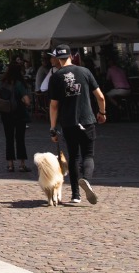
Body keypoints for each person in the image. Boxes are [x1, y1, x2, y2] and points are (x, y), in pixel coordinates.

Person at [44, 46, 105, 204]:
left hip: (68, 122)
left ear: (58, 59)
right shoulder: (85, 72)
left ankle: (75, 195)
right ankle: (86, 179)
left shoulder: (56, 77)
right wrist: (102, 113)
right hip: (87, 120)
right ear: (71, 56)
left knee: (73, 157)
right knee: (88, 155)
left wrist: (52, 128)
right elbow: (100, 96)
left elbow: (54, 106)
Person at [0, 59, 30, 172]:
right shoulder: (19, 84)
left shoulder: (3, 82)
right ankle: (22, 164)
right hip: (19, 113)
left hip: (5, 113)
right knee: (20, 139)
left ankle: (10, 164)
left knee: (8, 139)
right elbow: (27, 101)